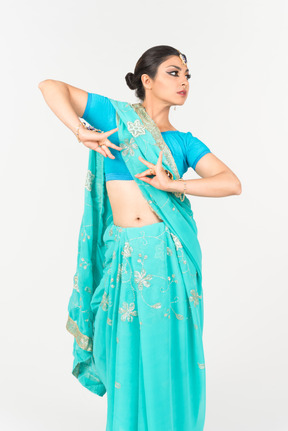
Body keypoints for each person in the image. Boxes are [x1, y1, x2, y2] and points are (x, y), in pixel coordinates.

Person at [38, 45, 241, 431]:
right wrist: (80, 130)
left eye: (186, 75)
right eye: (173, 72)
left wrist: (173, 183)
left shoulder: (183, 141)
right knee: (124, 351)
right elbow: (50, 86)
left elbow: (231, 183)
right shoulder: (115, 117)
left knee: (167, 350)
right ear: (146, 81)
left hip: (168, 255)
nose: (183, 81)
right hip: (125, 254)